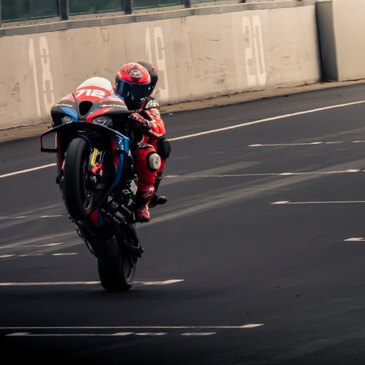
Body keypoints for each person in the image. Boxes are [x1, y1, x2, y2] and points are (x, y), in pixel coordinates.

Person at [115, 61, 171, 223]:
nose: (132, 94)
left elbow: (159, 126)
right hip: (110, 135)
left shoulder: (149, 102)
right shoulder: (111, 95)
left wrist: (144, 122)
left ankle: (145, 199)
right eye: (129, 87)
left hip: (133, 142)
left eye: (140, 88)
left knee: (159, 147)